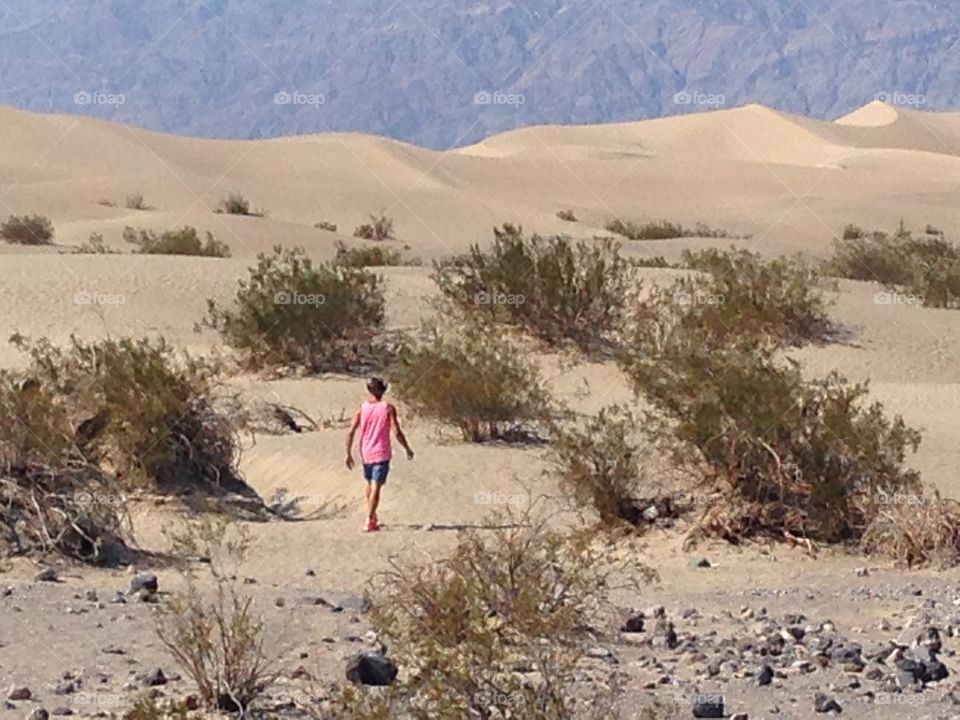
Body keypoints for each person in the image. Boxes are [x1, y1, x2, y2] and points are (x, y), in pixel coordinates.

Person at [345, 376, 414, 532]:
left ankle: (372, 515)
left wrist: (348, 452)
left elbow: (350, 432)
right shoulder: (388, 408)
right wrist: (407, 448)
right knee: (376, 485)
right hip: (381, 451)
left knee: (370, 483)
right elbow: (396, 431)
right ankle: (369, 518)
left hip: (366, 451)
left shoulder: (362, 408)